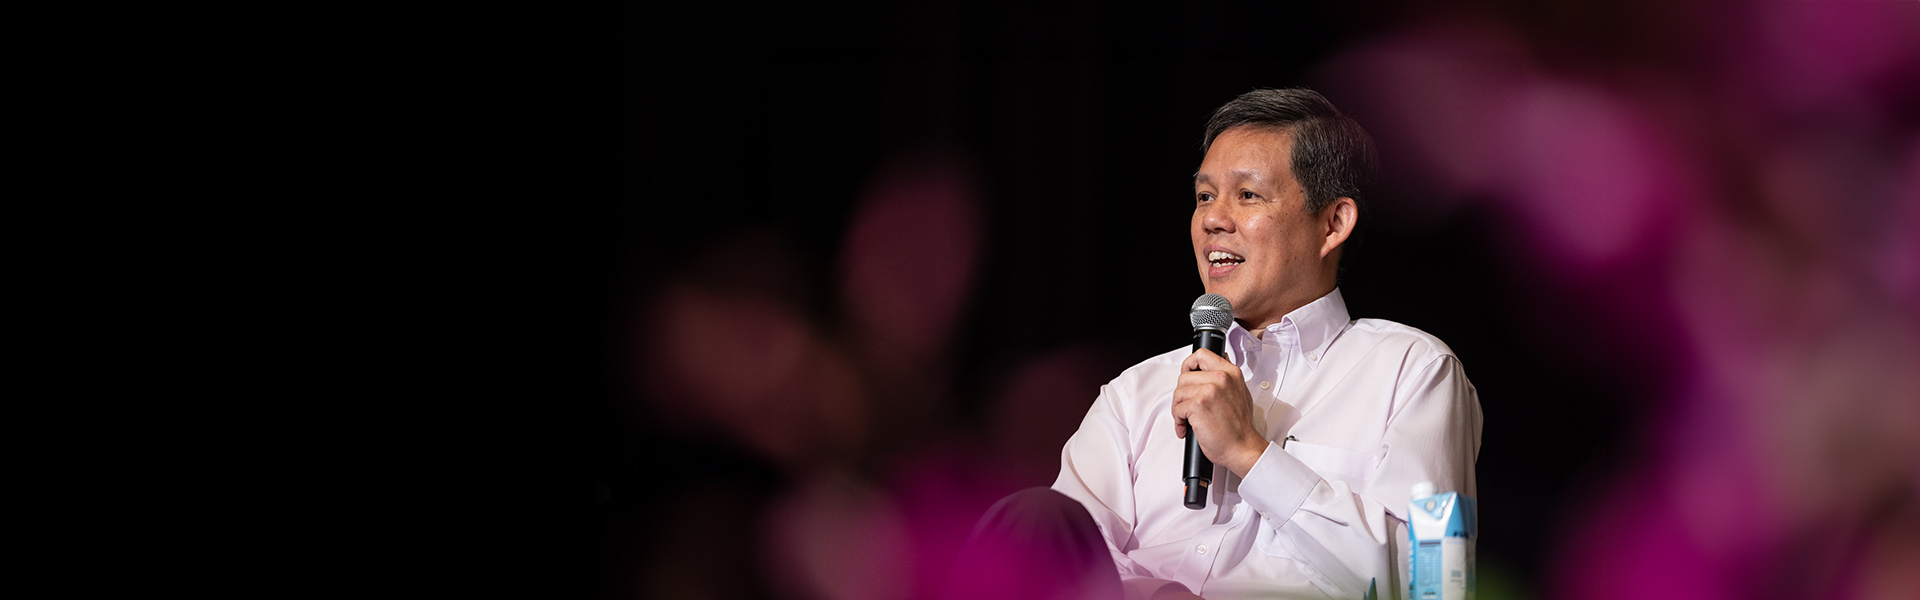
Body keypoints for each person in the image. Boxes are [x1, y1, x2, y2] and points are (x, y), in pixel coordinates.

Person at [952, 88, 1482, 600]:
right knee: (1029, 519)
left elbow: (1434, 585)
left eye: (1247, 195)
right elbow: (1061, 560)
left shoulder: (1412, 370)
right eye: (1205, 196)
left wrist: (1249, 453)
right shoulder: (1137, 393)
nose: (1212, 219)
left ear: (1333, 223)